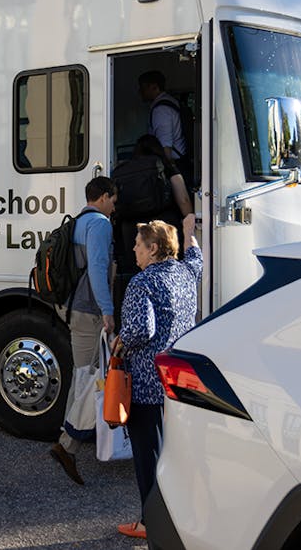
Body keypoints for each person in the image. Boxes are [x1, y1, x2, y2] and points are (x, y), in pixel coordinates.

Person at [113, 214, 202, 539]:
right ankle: (180, 516)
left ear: (152, 249)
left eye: (138, 245)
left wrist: (120, 339)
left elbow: (140, 329)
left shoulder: (142, 283)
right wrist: (189, 230)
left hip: (148, 381)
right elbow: (197, 257)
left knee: (149, 454)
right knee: (176, 452)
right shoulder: (186, 273)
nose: (133, 250)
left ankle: (151, 523)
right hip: (178, 377)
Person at [49, 175, 118, 485]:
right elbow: (98, 268)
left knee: (81, 376)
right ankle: (68, 446)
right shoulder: (100, 224)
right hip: (89, 309)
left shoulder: (77, 222)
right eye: (113, 201)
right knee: (90, 379)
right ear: (103, 197)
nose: (114, 208)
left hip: (72, 307)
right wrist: (108, 310)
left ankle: (65, 438)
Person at [112, 134, 193, 326]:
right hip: (164, 230)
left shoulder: (125, 171)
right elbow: (183, 201)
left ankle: (138, 320)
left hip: (131, 234)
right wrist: (190, 222)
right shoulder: (167, 167)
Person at [139, 70, 192, 185]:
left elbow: (165, 147)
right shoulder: (171, 102)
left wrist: (168, 176)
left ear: (154, 87)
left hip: (175, 165)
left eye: (143, 88)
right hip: (182, 161)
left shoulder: (161, 111)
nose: (140, 92)